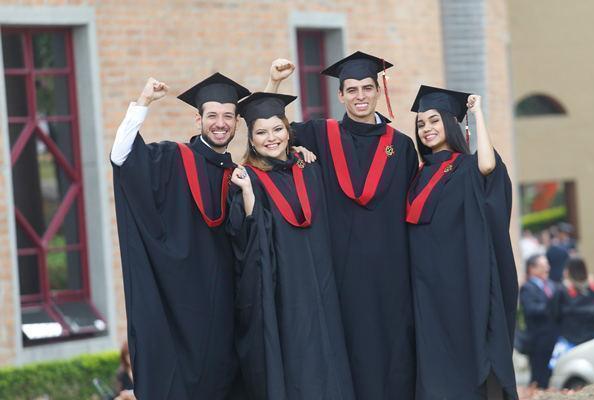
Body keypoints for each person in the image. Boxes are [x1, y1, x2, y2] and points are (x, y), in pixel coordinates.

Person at [265, 52, 418, 399]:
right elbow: (268, 131)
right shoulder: (319, 134)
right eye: (352, 90)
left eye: (366, 88)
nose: (360, 96)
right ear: (340, 96)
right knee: (348, 354)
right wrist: (274, 82)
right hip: (340, 273)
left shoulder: (402, 146)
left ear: (378, 91)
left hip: (391, 277)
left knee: (394, 357)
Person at [111, 74, 250, 399]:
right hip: (182, 308)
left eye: (228, 115)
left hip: (227, 314)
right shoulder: (172, 159)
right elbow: (122, 157)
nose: (220, 123)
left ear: (237, 122)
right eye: (212, 115)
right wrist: (143, 102)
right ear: (198, 118)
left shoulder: (238, 175)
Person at [227, 92, 354, 399]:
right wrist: (247, 197)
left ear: (288, 130)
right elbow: (243, 241)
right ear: (251, 140)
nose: (271, 138)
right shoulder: (249, 179)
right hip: (284, 295)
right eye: (261, 132)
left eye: (277, 129)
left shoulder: (309, 167)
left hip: (322, 286)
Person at [407, 85, 519, 399]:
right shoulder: (417, 175)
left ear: (451, 123)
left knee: (466, 359)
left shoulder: (466, 168)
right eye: (421, 124)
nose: (427, 129)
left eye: (434, 121)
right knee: (434, 364)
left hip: (462, 286)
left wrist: (478, 113)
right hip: (427, 290)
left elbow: (488, 165)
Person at [520, 254, 559, 389]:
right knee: (538, 376)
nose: (547, 268)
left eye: (547, 265)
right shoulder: (528, 288)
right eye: (543, 266)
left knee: (550, 375)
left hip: (553, 337)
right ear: (532, 268)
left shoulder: (552, 285)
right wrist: (551, 306)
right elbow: (531, 309)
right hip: (538, 340)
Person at [556, 257, 594, 346]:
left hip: (570, 339)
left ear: (568, 271)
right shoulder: (593, 288)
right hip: (591, 338)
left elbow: (555, 313)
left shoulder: (562, 290)